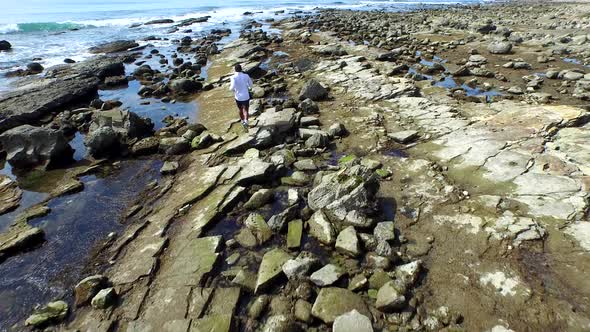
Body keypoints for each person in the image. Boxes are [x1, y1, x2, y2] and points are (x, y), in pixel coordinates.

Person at [229, 63, 253, 129]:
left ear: (235, 70)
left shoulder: (233, 77)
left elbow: (232, 87)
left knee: (240, 109)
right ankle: (246, 122)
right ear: (241, 69)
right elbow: (251, 85)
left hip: (238, 97)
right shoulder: (246, 75)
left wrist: (232, 90)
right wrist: (248, 86)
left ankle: (242, 121)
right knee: (246, 110)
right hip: (246, 96)